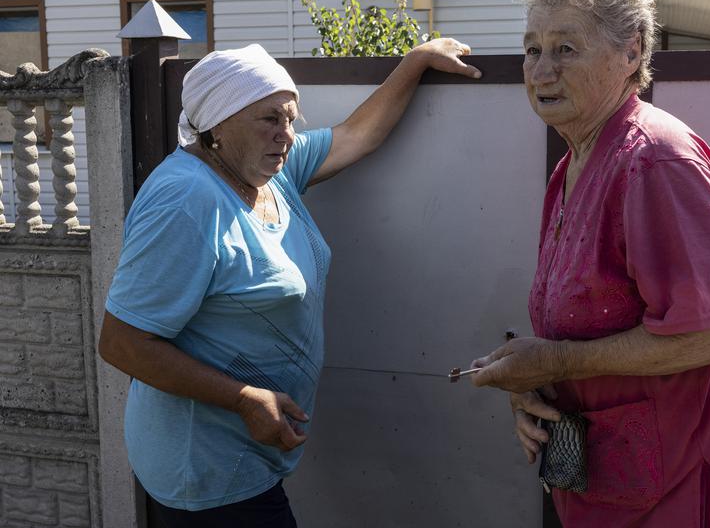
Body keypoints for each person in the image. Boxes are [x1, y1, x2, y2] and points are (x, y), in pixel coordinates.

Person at [469, 0, 710, 526]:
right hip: (628, 486)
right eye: (532, 49)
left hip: (698, 492)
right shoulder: (574, 164)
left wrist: (552, 360)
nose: (542, 70)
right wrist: (536, 385)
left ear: (631, 52)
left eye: (566, 49)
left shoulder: (655, 159)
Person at [98, 40, 480, 526]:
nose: (288, 135)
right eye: (271, 119)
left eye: (292, 119)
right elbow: (122, 342)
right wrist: (244, 399)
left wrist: (416, 61)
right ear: (218, 124)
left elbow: (357, 135)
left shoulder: (267, 174)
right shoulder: (186, 202)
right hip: (205, 468)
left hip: (250, 454)